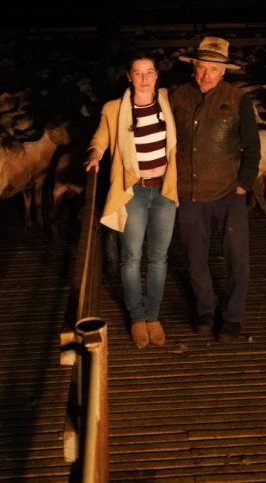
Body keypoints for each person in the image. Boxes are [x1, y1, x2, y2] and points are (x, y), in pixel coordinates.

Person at [170, 36, 261, 343]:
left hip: (228, 192)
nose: (205, 74)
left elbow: (252, 147)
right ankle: (206, 310)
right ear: (193, 67)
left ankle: (233, 316)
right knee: (195, 257)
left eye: (212, 69)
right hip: (188, 191)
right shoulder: (177, 97)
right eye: (200, 67)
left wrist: (243, 185)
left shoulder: (238, 100)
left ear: (224, 71)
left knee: (237, 256)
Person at [84, 54, 179, 349]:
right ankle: (137, 316)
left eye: (149, 72)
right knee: (131, 257)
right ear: (128, 76)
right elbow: (100, 137)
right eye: (138, 73)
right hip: (133, 191)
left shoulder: (167, 101)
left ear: (156, 75)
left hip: (164, 190)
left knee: (159, 257)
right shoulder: (114, 109)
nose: (144, 77)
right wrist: (95, 154)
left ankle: (153, 315)